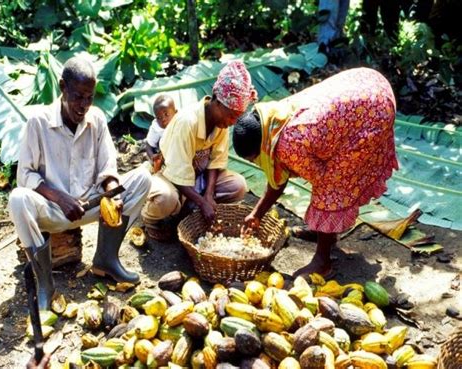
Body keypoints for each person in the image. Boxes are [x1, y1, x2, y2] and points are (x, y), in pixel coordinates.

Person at [8, 56, 152, 311]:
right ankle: (45, 285)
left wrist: (112, 194)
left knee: (142, 178)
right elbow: (25, 175)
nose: (84, 105)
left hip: (92, 203)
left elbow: (108, 168)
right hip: (54, 209)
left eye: (89, 97)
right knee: (18, 199)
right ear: (63, 87)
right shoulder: (38, 122)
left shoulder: (95, 120)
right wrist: (59, 197)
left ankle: (106, 259)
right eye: (77, 96)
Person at [233, 67, 398, 278]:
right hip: (367, 84)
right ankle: (324, 232)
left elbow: (323, 184)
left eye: (252, 159)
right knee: (328, 186)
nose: (255, 163)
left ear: (260, 147)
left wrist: (324, 214)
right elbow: (279, 175)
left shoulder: (288, 144)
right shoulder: (272, 120)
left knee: (330, 189)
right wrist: (257, 214)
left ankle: (323, 260)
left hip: (371, 112)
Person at [141, 61, 257, 231]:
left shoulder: (221, 123)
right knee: (165, 199)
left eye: (236, 117)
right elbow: (177, 173)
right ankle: (149, 217)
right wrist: (202, 202)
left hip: (197, 177)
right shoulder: (188, 122)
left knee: (238, 186)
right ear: (217, 102)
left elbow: (215, 162)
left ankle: (189, 206)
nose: (232, 123)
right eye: (231, 116)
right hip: (170, 177)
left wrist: (208, 196)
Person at [144, 95, 177, 172]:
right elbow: (148, 145)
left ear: (175, 113)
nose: (163, 119)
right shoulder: (156, 128)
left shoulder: (180, 122)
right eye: (159, 117)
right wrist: (152, 156)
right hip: (163, 156)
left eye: (166, 115)